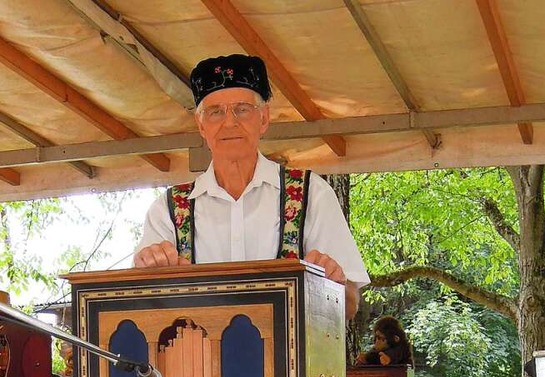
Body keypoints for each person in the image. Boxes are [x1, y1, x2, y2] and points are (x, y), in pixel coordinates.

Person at [133, 53, 369, 319]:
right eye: (215, 112)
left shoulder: (311, 194)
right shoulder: (168, 209)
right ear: (201, 125)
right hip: (197, 361)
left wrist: (333, 285)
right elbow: (144, 305)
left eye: (242, 109)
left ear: (264, 119)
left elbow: (349, 306)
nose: (229, 121)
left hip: (290, 360)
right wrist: (150, 267)